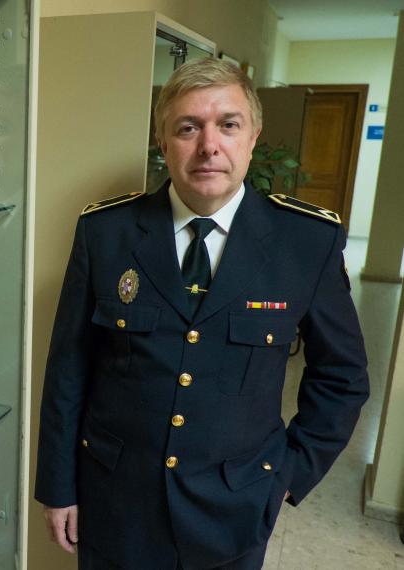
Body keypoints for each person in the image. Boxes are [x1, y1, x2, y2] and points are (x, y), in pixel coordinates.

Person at [34, 57, 370, 570]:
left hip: (236, 506)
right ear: (163, 141)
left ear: (253, 137)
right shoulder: (106, 232)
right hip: (116, 500)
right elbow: (68, 368)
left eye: (228, 125)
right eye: (188, 127)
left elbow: (342, 377)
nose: (209, 145)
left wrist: (289, 474)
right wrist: (58, 486)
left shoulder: (306, 242)